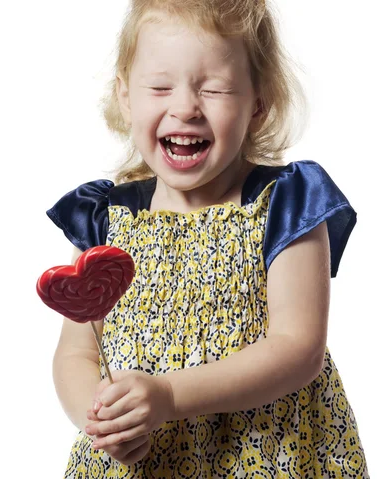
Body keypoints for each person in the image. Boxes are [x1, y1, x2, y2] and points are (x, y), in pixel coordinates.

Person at [47, 0, 369, 477]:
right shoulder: (105, 219)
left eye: (214, 89)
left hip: (264, 455)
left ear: (257, 103)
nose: (184, 107)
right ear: (125, 96)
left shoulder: (285, 205)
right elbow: (78, 351)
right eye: (159, 86)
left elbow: (298, 349)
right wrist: (101, 419)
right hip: (143, 462)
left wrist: (169, 396)